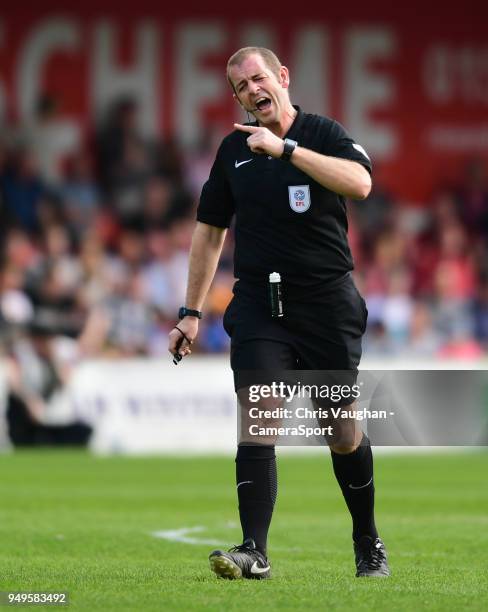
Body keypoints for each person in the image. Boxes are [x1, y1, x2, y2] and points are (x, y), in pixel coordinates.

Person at [168, 47, 390, 580]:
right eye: (241, 87)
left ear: (282, 77)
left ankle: (367, 540)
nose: (252, 91)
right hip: (261, 307)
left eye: (258, 78)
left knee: (341, 431)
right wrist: (190, 311)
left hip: (326, 305)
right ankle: (254, 550)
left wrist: (286, 150)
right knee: (259, 415)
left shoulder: (321, 133)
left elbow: (360, 183)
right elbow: (209, 231)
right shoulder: (232, 152)